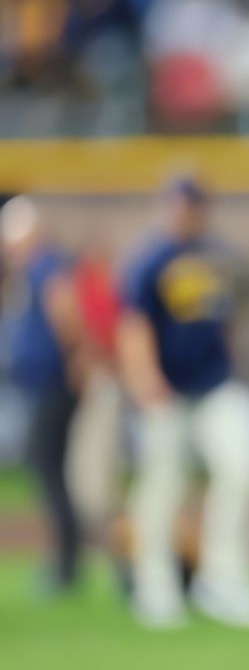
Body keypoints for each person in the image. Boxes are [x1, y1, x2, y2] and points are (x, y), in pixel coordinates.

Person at [117, 176, 249, 629]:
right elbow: (134, 325)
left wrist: (237, 361)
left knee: (245, 467)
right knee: (161, 487)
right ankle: (155, 586)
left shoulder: (219, 256)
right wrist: (145, 380)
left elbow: (229, 317)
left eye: (192, 206)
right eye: (177, 206)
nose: (184, 214)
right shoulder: (150, 260)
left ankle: (221, 579)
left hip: (216, 384)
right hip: (167, 389)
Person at [1, 196, 93, 594]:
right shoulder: (33, 268)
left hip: (53, 384)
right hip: (43, 384)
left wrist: (74, 356)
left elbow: (65, 310)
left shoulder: (45, 265)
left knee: (49, 470)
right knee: (50, 471)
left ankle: (66, 566)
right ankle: (66, 562)